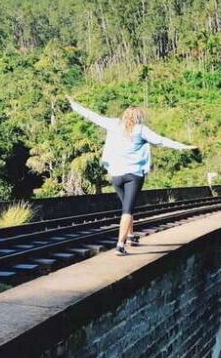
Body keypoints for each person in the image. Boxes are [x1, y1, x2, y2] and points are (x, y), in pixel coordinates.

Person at [66, 96, 198, 255]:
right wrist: (185, 147)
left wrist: (74, 104)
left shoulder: (114, 124)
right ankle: (120, 245)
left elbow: (92, 116)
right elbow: (162, 141)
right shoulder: (141, 129)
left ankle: (130, 235)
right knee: (127, 210)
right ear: (138, 117)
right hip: (133, 175)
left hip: (116, 176)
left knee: (126, 207)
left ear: (125, 115)